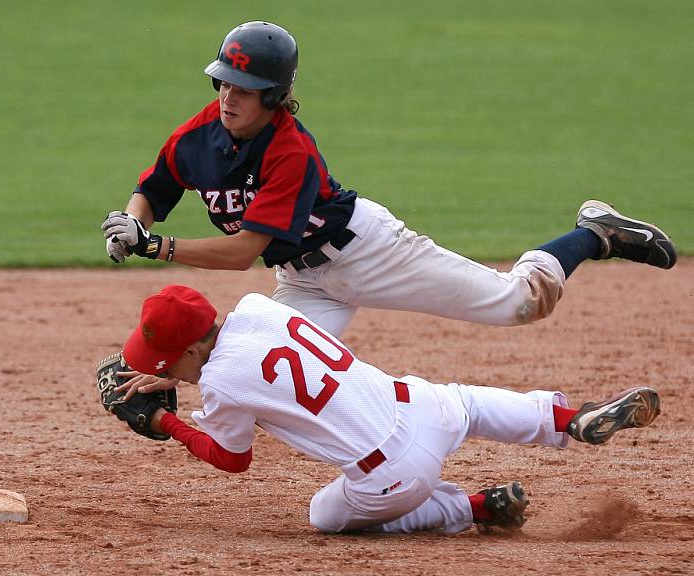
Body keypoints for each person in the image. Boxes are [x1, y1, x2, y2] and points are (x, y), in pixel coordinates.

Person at [101, 20, 678, 338]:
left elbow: (243, 253)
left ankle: (594, 233)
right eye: (222, 83)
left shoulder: (290, 152)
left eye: (242, 89)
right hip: (303, 280)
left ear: (275, 97)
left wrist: (153, 245)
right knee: (259, 369)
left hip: (368, 252)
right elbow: (156, 189)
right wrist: (133, 217)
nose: (227, 96)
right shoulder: (198, 134)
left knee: (516, 305)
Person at [109, 284, 661, 534]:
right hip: (418, 404)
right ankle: (568, 419)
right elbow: (229, 359)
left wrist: (165, 421)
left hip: (394, 475)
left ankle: (475, 508)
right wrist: (165, 369)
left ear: (192, 350)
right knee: (469, 404)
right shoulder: (256, 308)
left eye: (165, 362)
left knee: (323, 516)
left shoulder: (223, 385)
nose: (163, 370)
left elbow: (233, 460)